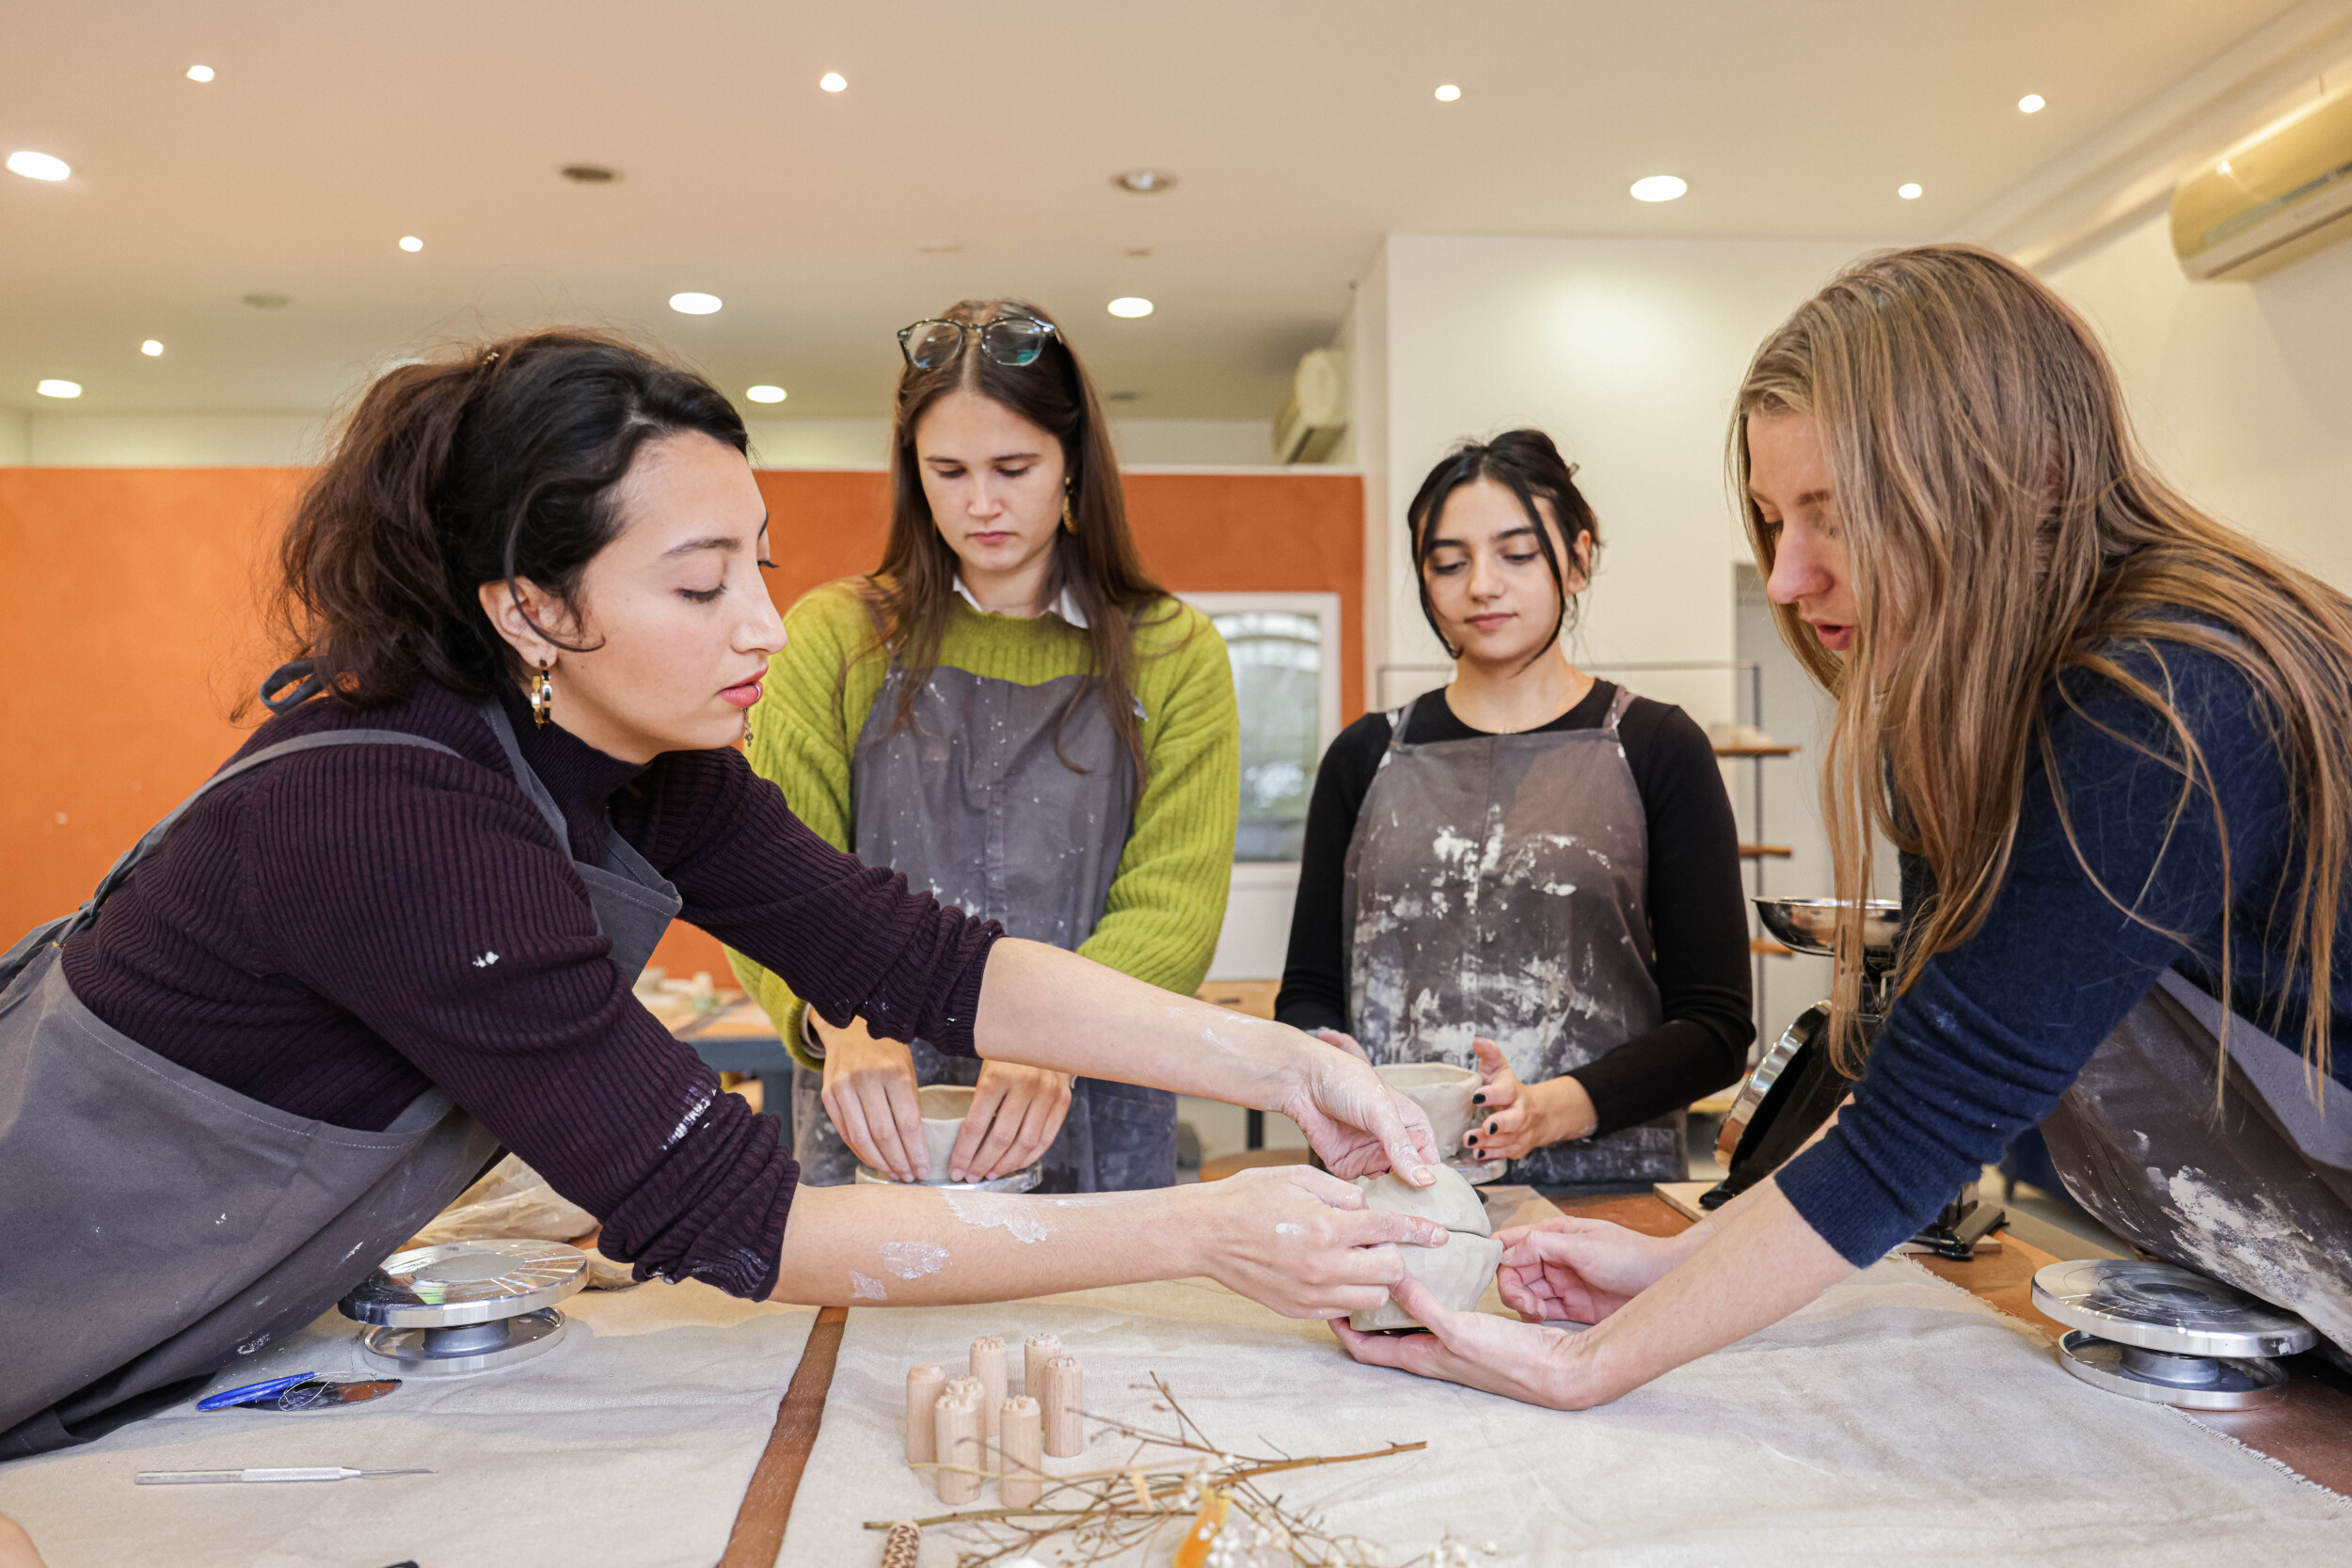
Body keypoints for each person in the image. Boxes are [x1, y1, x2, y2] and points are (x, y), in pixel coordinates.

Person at [0, 331, 1442, 1458]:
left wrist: (1291, 1067)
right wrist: (1204, 1228)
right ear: (531, 606)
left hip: (186, 1323)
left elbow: (921, 953)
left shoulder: (636, 751)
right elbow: (739, 1214)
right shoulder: (397, 812)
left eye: (760, 563)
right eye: (699, 586)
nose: (763, 623)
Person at [1334, 245, 2352, 1404]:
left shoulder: (2169, 694)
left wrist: (1589, 1363)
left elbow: (1931, 1112)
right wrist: (1677, 1264)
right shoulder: (1954, 712)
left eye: (1833, 514)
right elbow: (1904, 1083)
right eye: (1772, 518)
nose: (1781, 574)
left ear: (2031, 477)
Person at [729, 299, 1237, 1193]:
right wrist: (840, 1018)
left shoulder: (1172, 650)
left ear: (1073, 461)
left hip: (1096, 1099)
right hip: (876, 1112)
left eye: (1014, 466)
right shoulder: (833, 636)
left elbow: (1173, 905)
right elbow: (773, 871)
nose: (981, 503)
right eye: (948, 470)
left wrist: (1057, 1035)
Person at [1277, 431, 1753, 1190]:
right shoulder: (1363, 756)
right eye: (1450, 561)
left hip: (1602, 1193)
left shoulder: (1660, 746)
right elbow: (1308, 992)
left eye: (1517, 554)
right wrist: (1334, 1073)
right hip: (1388, 1191)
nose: (1482, 586)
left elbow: (1716, 1028)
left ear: (1578, 557)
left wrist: (1551, 1109)